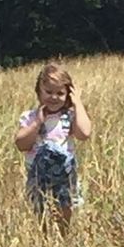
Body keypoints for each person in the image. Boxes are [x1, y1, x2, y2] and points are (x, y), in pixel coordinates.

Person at [15, 63, 92, 224]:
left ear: (68, 95)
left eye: (60, 93)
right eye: (48, 92)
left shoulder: (69, 117)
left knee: (66, 209)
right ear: (38, 92)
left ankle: (63, 238)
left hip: (64, 174)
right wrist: (37, 123)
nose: (54, 97)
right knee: (38, 211)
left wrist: (77, 103)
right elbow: (21, 144)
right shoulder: (30, 117)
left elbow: (84, 134)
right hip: (37, 175)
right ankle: (43, 239)